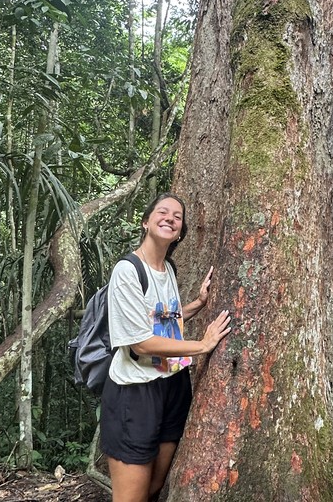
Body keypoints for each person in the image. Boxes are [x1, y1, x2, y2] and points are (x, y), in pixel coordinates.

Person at [101, 192, 231, 502]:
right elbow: (142, 342)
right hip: (135, 392)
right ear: (146, 222)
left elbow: (162, 319)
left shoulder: (168, 268)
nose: (170, 218)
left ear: (181, 232)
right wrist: (202, 345)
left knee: (154, 488)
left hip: (173, 384)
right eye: (162, 212)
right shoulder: (128, 270)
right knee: (131, 497)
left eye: (177, 216)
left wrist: (198, 303)